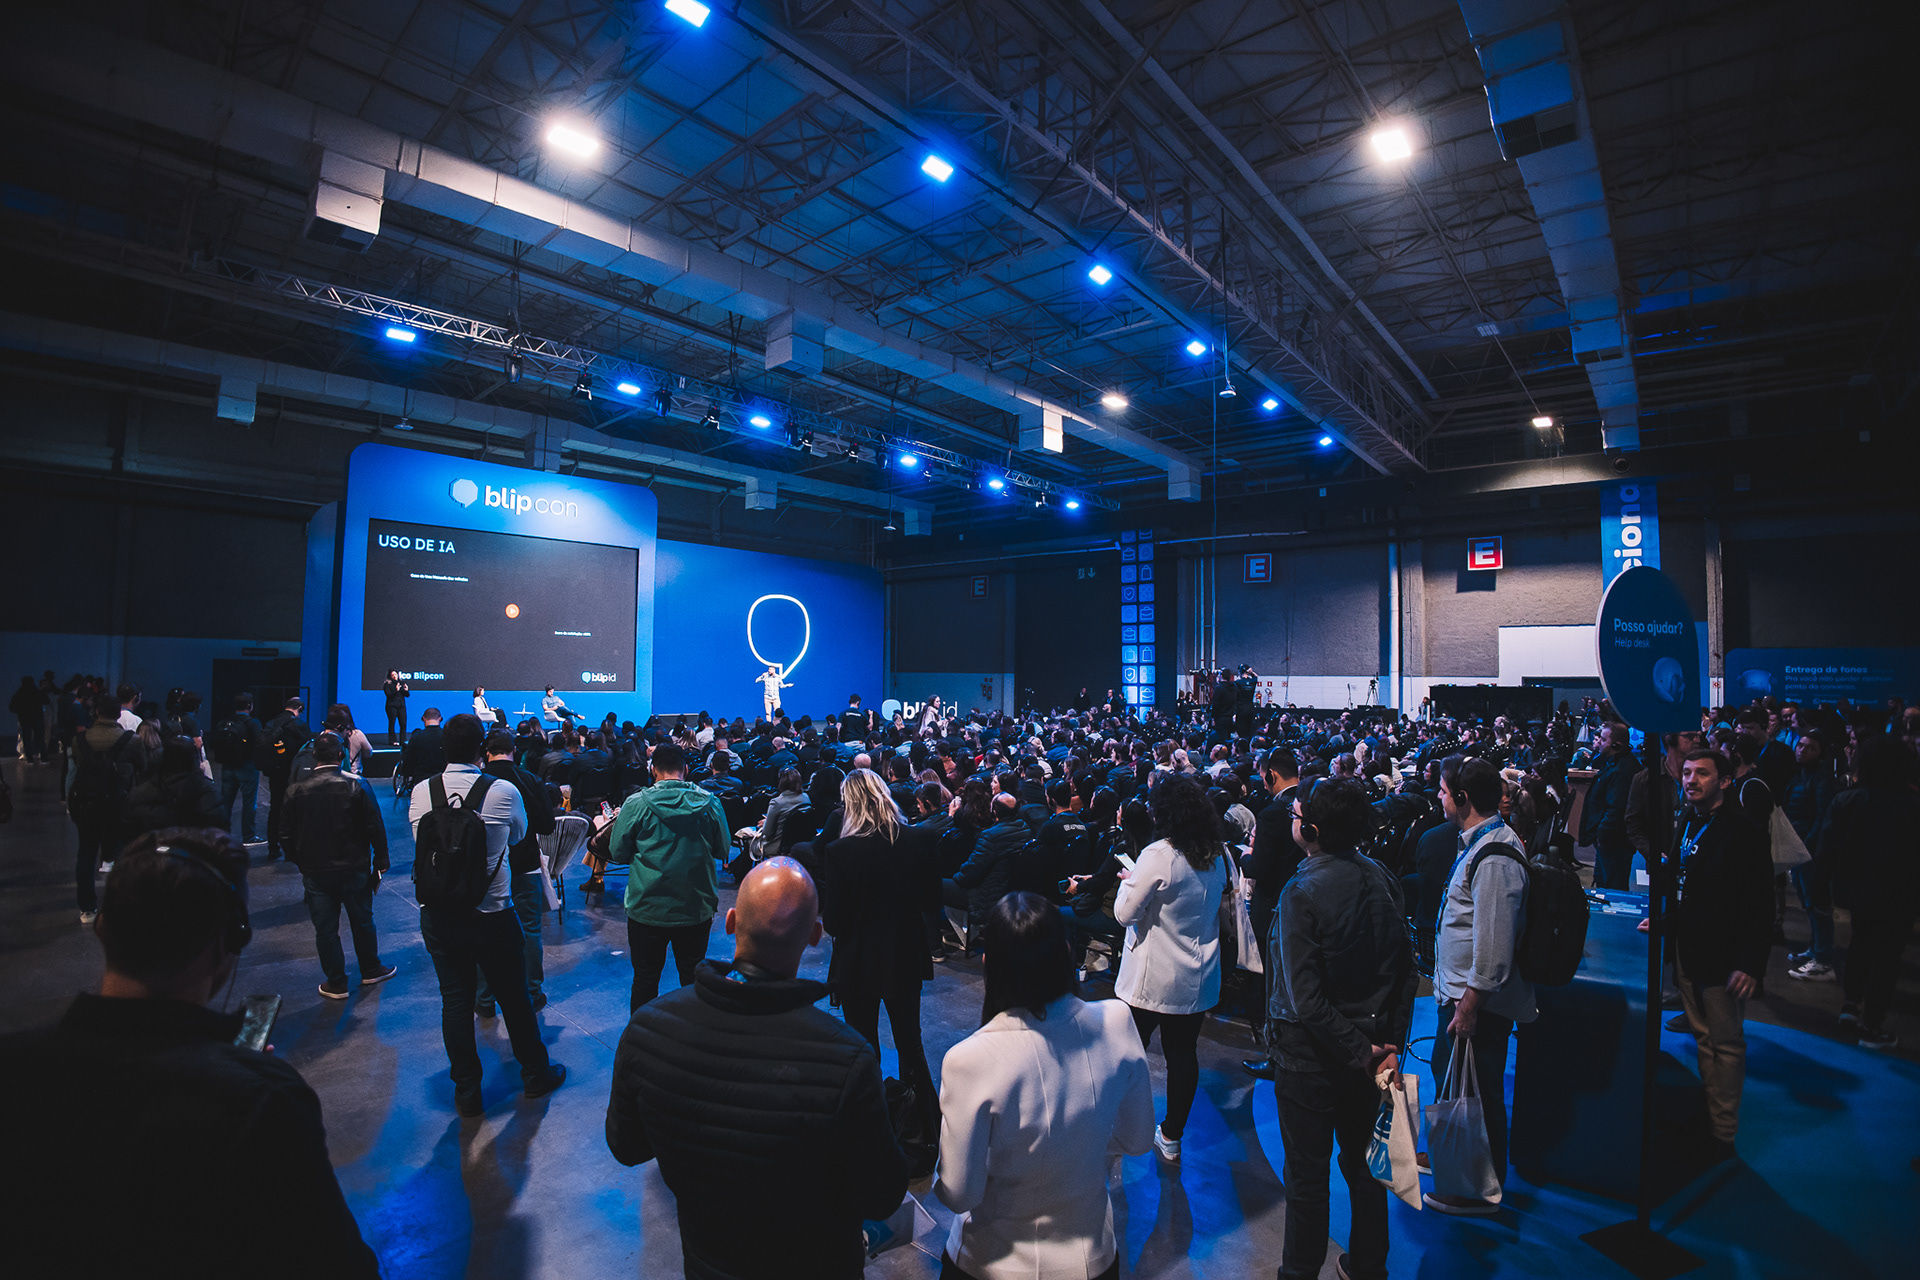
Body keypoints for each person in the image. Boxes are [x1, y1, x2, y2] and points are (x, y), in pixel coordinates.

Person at [0, 828, 381, 1278]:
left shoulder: (14, 1071)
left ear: (102, 927)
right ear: (228, 945)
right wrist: (250, 1078)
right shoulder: (259, 1107)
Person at [605, 858, 908, 1279]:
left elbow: (627, 1147)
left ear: (730, 921)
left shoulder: (648, 1028)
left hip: (708, 1264)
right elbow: (882, 1195)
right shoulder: (846, 1059)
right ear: (815, 936)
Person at [934, 893, 1154, 1280]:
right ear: (1067, 954)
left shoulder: (968, 1059)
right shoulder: (1118, 1020)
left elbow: (959, 1193)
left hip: (991, 1261)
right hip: (1093, 1258)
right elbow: (1137, 1141)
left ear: (987, 965)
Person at [1269, 776, 1417, 1280]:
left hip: (1310, 1060)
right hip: (1371, 1056)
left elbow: (1305, 1001)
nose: (1292, 821)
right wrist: (1388, 1044)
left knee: (1307, 1178)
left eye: (1296, 815)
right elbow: (1407, 972)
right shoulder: (1383, 877)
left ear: (1311, 829)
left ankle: (1299, 1271)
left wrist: (1361, 1046)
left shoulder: (1301, 891)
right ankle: (1369, 1267)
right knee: (1365, 1168)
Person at [409, 713, 565, 1115]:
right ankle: (535, 1074)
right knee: (515, 999)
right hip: (493, 914)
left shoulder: (422, 792)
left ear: (443, 748)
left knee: (455, 1002)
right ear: (481, 749)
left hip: (439, 916)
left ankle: (467, 1093)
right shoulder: (503, 791)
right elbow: (519, 836)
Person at [1651, 748, 1772, 1159]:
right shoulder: (1688, 818)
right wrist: (1665, 922)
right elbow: (1684, 883)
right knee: (1703, 1038)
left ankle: (1723, 1135)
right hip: (1688, 948)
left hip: (1724, 956)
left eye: (1702, 773)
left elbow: (1760, 904)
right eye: (1687, 772)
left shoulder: (1744, 831)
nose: (1691, 780)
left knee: (1726, 1043)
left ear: (1724, 781)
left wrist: (1750, 964)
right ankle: (1710, 1115)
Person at [1427, 755, 1534, 1214]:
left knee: (1476, 1093)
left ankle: (1475, 1189)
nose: (1439, 797)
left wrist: (1470, 1003)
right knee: (1453, 1083)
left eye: (1443, 791)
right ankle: (1452, 1159)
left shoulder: (1495, 857)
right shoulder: (1481, 843)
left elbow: (1494, 944)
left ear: (1463, 797)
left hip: (1475, 1004)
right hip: (1459, 996)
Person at [1113, 772, 1230, 1163]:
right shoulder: (1218, 853)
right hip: (1197, 975)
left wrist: (1130, 881)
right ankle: (1172, 1135)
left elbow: (1124, 914)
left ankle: (1120, 1121)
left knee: (1130, 1051)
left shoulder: (1158, 855)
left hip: (1153, 977)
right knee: (1183, 1054)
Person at [822, 768, 940, 1122]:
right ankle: (922, 1123)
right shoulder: (920, 839)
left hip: (858, 960)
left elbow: (834, 923)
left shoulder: (839, 851)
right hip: (905, 954)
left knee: (863, 1046)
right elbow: (932, 902)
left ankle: (872, 1123)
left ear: (850, 804)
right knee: (910, 1041)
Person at [608, 742, 728, 1012]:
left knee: (645, 980)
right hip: (695, 906)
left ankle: (642, 1035)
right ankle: (692, 1034)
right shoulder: (710, 803)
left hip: (647, 907)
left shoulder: (636, 803)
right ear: (686, 768)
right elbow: (722, 850)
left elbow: (617, 852)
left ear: (653, 770)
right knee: (692, 981)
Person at [1824, 735, 1920, 1050]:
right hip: (1901, 892)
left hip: (1857, 889)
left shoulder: (1847, 799)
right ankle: (1873, 1024)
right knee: (1888, 957)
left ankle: (1850, 1006)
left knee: (1860, 944)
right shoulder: (1913, 804)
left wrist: (1825, 887)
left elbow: (1828, 847)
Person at [283, 733, 396, 998]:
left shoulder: (296, 790)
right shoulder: (357, 785)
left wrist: (301, 861)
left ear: (314, 755)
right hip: (354, 868)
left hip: (315, 871)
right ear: (341, 754)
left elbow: (285, 834)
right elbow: (374, 825)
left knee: (326, 929)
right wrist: (381, 858)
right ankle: (370, 969)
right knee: (362, 921)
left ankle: (336, 982)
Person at [476, 730, 557, 1015]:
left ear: (487, 752)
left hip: (485, 871)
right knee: (530, 930)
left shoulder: (478, 783)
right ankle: (532, 993)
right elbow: (547, 826)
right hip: (525, 866)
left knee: (485, 932)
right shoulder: (530, 780)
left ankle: (484, 999)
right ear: (514, 750)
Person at [1242, 747, 1305, 1079]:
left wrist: (1243, 857)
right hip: (1304, 900)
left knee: (1273, 980)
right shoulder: (1312, 799)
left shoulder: (1271, 814)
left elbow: (1260, 868)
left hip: (1274, 907)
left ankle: (1276, 1053)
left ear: (1270, 775)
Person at [67, 697, 147, 924]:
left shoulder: (79, 740)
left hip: (88, 804)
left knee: (86, 854)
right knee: (121, 855)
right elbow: (143, 768)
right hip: (120, 805)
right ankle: (119, 904)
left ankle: (87, 908)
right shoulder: (132, 740)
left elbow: (79, 767)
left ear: (96, 712)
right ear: (118, 714)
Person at [1783, 730, 1842, 981]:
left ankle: (1823, 959)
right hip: (1799, 849)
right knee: (1808, 903)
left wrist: (1807, 847)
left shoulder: (1822, 780)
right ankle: (1816, 949)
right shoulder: (1800, 776)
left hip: (1811, 853)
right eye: (1801, 745)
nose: (1802, 751)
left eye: (1810, 748)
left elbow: (1822, 817)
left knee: (1818, 905)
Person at [941, 792, 1028, 950]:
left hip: (986, 897)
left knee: (935, 884)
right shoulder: (1025, 828)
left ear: (994, 812)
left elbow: (969, 874)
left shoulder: (991, 836)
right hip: (1011, 891)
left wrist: (955, 876)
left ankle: (953, 940)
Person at [1581, 723, 1641, 889]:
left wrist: (1602, 834)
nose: (1598, 743)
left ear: (1616, 745)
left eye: (1603, 739)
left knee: (1613, 887)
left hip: (1614, 843)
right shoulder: (1613, 762)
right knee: (1603, 884)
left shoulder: (1622, 770)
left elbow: (1616, 808)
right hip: (1609, 842)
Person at [126, 740, 225, 833]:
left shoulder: (141, 795)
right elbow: (220, 833)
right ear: (194, 760)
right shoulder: (209, 795)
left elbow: (130, 832)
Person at [260, 696, 313, 863]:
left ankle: (273, 848)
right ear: (300, 709)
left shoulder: (271, 723)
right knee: (295, 811)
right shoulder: (299, 725)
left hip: (275, 773)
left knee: (275, 809)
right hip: (294, 774)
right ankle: (292, 850)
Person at [211, 693, 263, 843]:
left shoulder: (226, 722)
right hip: (247, 766)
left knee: (226, 802)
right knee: (249, 803)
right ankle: (249, 835)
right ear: (250, 706)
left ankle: (223, 834)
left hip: (227, 766)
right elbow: (259, 744)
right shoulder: (253, 723)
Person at [400, 707, 447, 785]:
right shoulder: (447, 735)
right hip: (443, 778)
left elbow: (408, 759)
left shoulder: (417, 736)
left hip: (421, 780)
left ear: (423, 719)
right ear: (440, 718)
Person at [11, 674, 47, 762]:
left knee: (26, 739)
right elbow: (46, 700)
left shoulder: (20, 693)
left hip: (24, 719)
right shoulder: (36, 692)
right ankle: (44, 758)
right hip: (37, 718)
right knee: (40, 738)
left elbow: (12, 707)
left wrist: (20, 711)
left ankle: (30, 759)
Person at [381, 670, 409, 744]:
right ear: (390, 676)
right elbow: (388, 695)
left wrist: (406, 690)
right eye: (392, 675)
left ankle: (403, 740)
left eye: (395, 674)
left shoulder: (401, 683)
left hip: (401, 706)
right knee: (392, 723)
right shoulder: (387, 684)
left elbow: (407, 695)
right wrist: (396, 690)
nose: (394, 676)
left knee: (403, 723)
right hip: (391, 706)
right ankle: (393, 740)